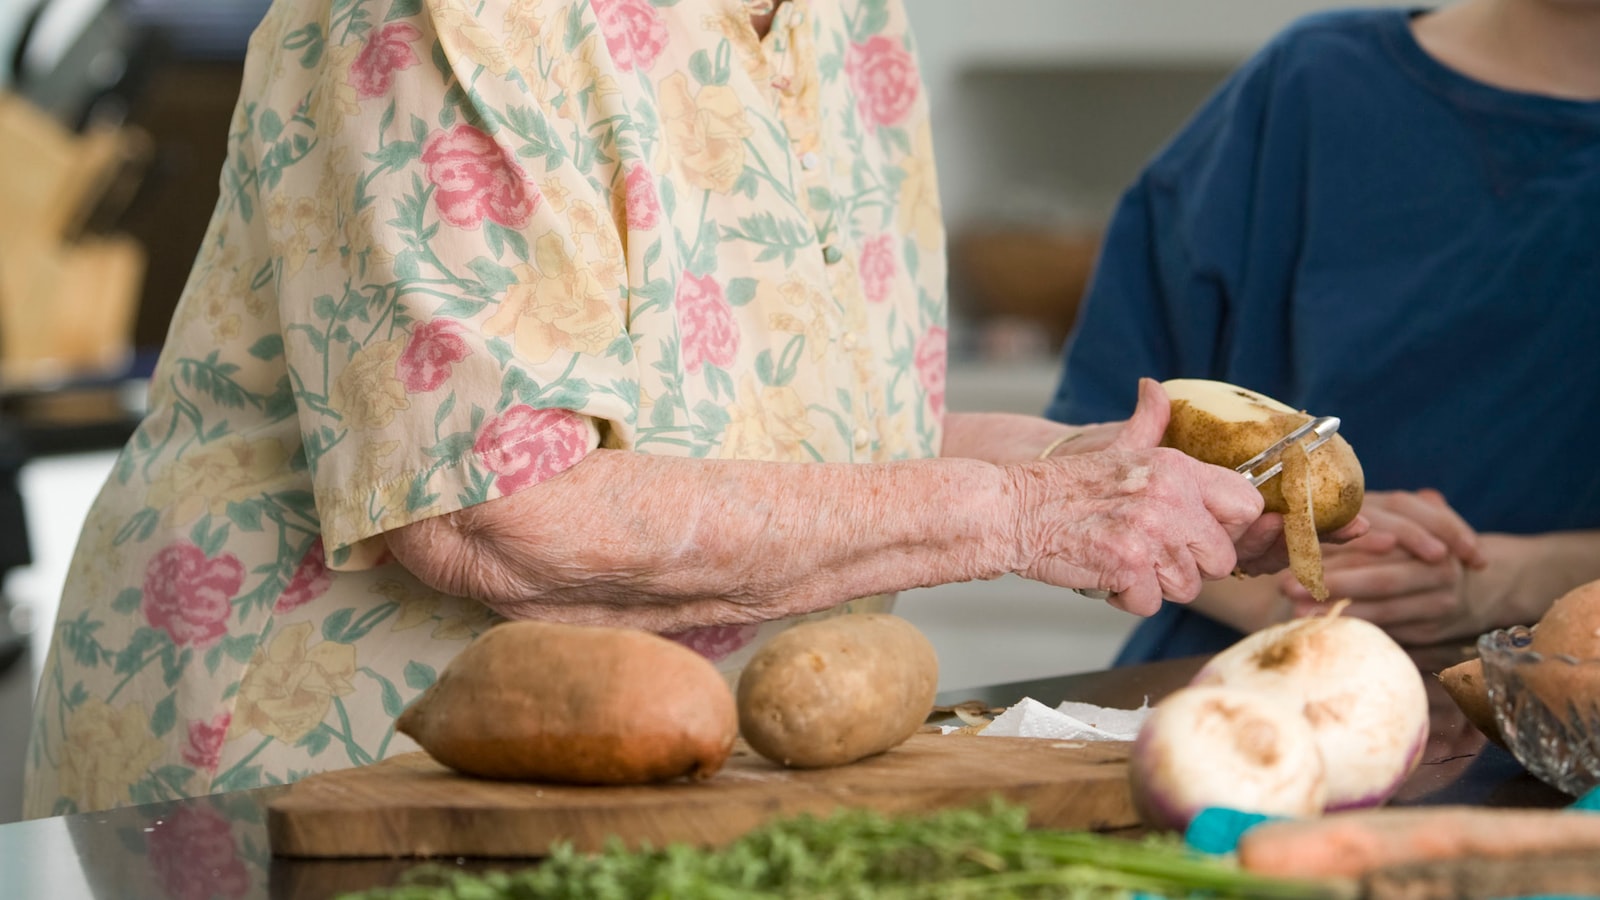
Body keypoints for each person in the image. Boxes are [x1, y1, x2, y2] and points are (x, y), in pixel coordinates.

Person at [21, 0, 1331, 818]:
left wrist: (1137, 487)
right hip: (309, 788)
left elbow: (806, 422)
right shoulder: (452, 15)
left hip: (647, 790)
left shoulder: (845, 19)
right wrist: (1021, 511)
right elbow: (506, 513)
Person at [1048, 0, 1600, 666]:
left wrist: (1507, 579)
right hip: (1242, 685)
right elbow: (1092, 448)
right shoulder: (1313, 85)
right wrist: (1269, 589)